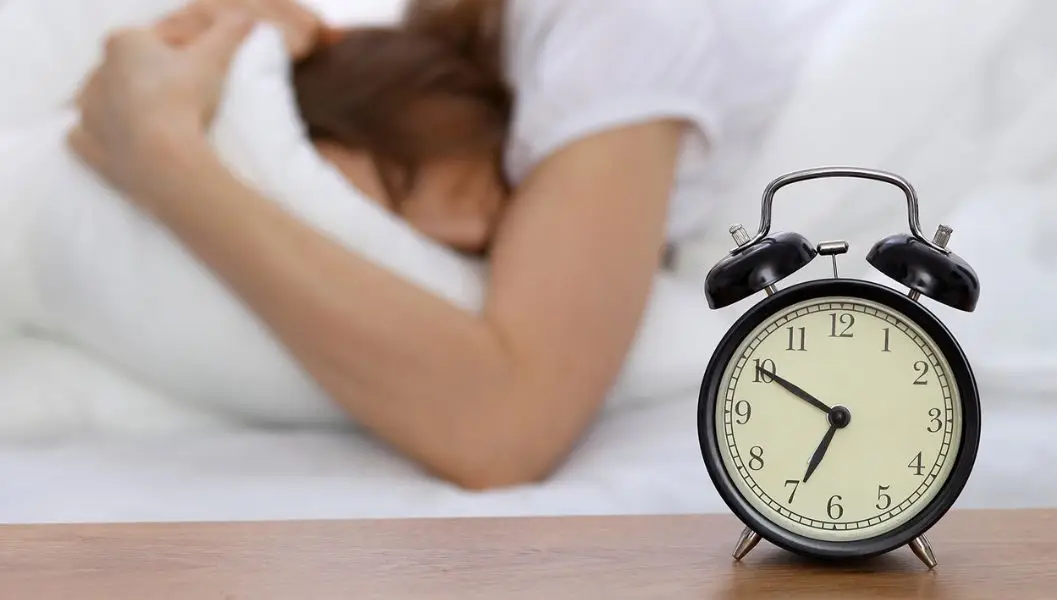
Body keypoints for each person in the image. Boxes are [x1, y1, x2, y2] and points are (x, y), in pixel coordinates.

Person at [67, 0, 837, 490]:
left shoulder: (625, 24)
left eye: (402, 189)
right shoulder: (480, 29)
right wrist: (305, 42)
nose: (465, 237)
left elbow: (505, 427)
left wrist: (166, 162)